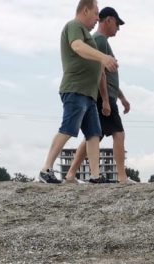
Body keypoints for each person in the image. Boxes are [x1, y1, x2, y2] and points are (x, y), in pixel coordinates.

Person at [39, 0, 118, 184]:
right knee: (68, 129)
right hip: (75, 89)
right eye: (96, 13)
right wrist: (103, 57)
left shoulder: (87, 35)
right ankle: (46, 169)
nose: (97, 18)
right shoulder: (74, 26)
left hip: (88, 94)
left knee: (94, 134)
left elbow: (98, 70)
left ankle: (95, 176)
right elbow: (77, 46)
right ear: (85, 10)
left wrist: (105, 97)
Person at [64, 7, 131, 183]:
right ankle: (122, 177)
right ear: (109, 20)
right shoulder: (99, 40)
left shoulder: (101, 41)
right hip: (103, 96)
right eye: (117, 24)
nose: (118, 28)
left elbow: (108, 76)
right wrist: (106, 100)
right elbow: (100, 73)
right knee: (118, 133)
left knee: (93, 136)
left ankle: (71, 173)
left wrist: (122, 98)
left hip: (105, 95)